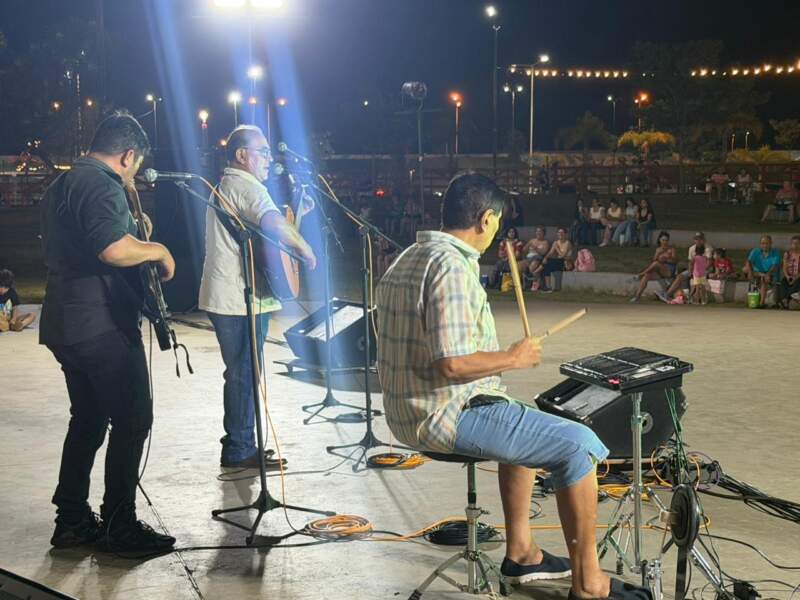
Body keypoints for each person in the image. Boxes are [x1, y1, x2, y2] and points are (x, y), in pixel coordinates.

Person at [376, 172, 650, 600]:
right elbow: (451, 364)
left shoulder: (407, 258)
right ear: (486, 220)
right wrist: (513, 357)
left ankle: (522, 553)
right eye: (497, 224)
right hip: (445, 414)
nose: (495, 233)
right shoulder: (450, 267)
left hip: (407, 413)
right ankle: (590, 584)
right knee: (578, 445)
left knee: (522, 420)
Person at [40, 111, 177, 552]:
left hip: (65, 321)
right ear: (128, 154)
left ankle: (73, 520)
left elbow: (95, 240)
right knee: (133, 419)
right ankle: (121, 525)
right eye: (135, 166)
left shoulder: (63, 183)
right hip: (100, 323)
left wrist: (137, 232)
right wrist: (157, 249)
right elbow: (113, 249)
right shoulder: (102, 183)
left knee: (89, 419)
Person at [199, 126, 317, 469]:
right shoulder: (245, 186)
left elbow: (262, 238)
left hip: (236, 294)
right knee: (244, 373)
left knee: (245, 372)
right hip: (238, 297)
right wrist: (304, 246)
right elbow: (272, 223)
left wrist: (300, 217)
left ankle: (242, 442)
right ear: (241, 155)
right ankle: (238, 447)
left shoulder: (232, 186)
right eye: (262, 151)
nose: (269, 158)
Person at [658, 232, 714, 302]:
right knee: (680, 276)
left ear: (703, 240)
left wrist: (699, 272)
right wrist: (691, 271)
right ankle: (667, 295)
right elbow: (690, 262)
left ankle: (696, 299)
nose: (698, 241)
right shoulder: (692, 248)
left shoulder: (708, 248)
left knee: (698, 282)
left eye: (700, 239)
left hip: (705, 269)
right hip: (695, 269)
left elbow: (709, 263)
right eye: (696, 239)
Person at [630, 231, 676, 303]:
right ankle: (637, 298)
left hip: (668, 271)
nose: (665, 242)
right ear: (660, 240)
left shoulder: (671, 249)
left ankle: (640, 275)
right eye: (663, 240)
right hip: (659, 271)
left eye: (666, 240)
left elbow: (675, 261)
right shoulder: (658, 250)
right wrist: (658, 254)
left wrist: (667, 258)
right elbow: (654, 261)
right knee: (647, 276)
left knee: (656, 264)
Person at [743, 235, 781, 309]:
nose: (765, 245)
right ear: (760, 244)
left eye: (767, 243)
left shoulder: (775, 252)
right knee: (745, 269)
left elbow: (775, 266)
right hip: (758, 273)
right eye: (763, 243)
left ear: (771, 243)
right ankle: (761, 276)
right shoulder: (756, 251)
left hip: (771, 274)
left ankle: (762, 303)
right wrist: (750, 272)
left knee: (763, 280)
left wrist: (768, 274)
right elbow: (749, 262)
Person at [531, 227, 574, 292]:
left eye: (562, 233)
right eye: (559, 233)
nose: (560, 234)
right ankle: (548, 287)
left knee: (548, 262)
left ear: (565, 234)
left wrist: (556, 248)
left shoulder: (567, 243)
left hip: (566, 263)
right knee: (547, 264)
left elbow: (563, 256)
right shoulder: (556, 242)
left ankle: (536, 272)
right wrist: (545, 258)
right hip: (558, 262)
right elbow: (550, 253)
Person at [520, 226, 550, 290]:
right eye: (537, 231)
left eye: (540, 231)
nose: (538, 233)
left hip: (538, 258)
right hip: (528, 258)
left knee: (532, 267)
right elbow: (524, 249)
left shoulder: (545, 242)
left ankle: (536, 283)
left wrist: (536, 248)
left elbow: (544, 252)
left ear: (543, 233)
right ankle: (523, 284)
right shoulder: (532, 241)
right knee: (520, 265)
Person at [777, 235, 800, 308]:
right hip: (789, 275)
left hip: (798, 276)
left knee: (797, 283)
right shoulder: (787, 254)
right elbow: (784, 267)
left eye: (797, 243)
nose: (795, 245)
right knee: (783, 282)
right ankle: (784, 300)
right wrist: (787, 277)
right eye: (793, 243)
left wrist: (795, 278)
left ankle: (786, 299)